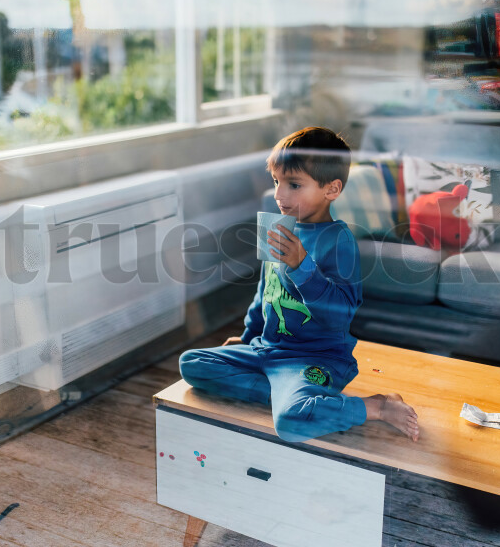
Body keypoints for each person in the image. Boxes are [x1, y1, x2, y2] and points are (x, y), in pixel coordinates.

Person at [179, 127, 419, 443]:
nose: (279, 195)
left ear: (331, 189)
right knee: (192, 364)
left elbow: (340, 314)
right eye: (276, 182)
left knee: (290, 422)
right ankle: (292, 396)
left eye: (294, 185)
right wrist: (248, 337)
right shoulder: (277, 227)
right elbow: (265, 293)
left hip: (314, 357)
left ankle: (375, 406)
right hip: (267, 350)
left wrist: (301, 266)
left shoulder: (339, 240)